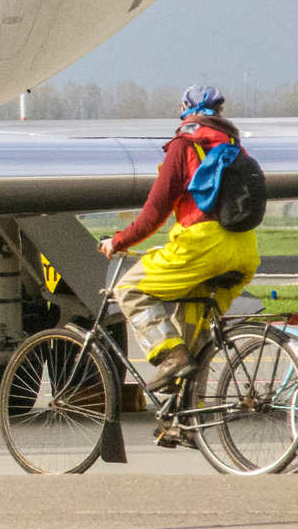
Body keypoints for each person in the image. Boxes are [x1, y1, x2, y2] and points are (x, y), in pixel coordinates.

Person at [96, 87, 261, 438]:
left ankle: (169, 356)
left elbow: (154, 213)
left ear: (184, 109)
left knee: (130, 290)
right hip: (244, 250)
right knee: (195, 342)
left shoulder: (184, 146)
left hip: (202, 247)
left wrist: (118, 241)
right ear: (219, 112)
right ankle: (185, 424)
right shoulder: (234, 147)